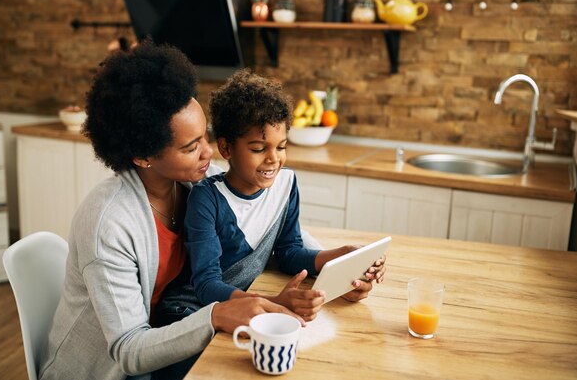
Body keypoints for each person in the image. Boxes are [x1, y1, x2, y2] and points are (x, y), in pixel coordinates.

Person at [38, 43, 304, 380]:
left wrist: (333, 266)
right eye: (191, 147)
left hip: (169, 342)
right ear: (143, 155)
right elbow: (128, 350)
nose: (209, 153)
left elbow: (265, 226)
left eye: (204, 137)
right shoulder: (109, 223)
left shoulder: (195, 183)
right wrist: (217, 315)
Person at [180, 70, 386, 320]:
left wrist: (341, 256)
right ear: (225, 148)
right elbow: (206, 284)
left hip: (248, 305)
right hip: (195, 310)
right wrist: (273, 303)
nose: (273, 158)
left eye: (281, 146)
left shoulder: (286, 183)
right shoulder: (207, 199)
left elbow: (288, 253)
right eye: (258, 148)